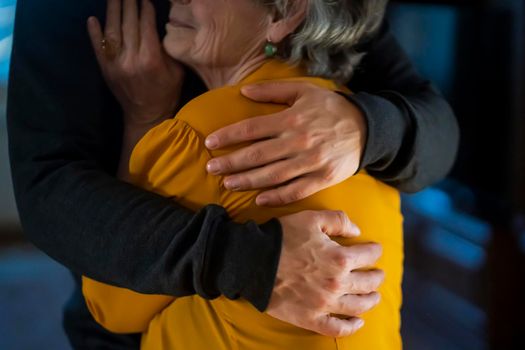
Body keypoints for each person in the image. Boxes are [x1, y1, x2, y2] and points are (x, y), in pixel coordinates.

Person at [6, 0, 458, 349]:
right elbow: (47, 189)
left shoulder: (205, 131)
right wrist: (250, 261)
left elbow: (109, 304)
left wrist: (363, 127)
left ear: (286, 14)